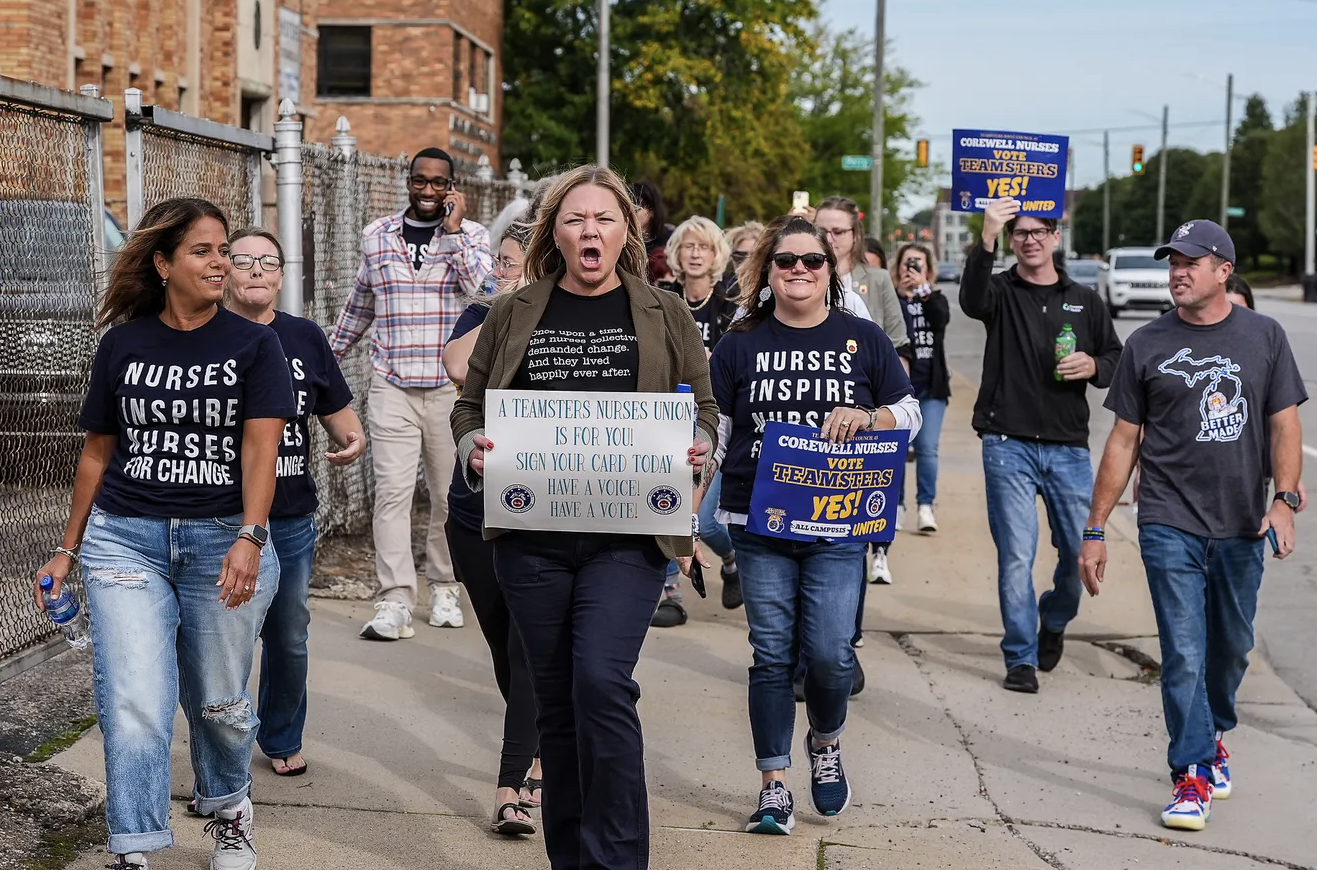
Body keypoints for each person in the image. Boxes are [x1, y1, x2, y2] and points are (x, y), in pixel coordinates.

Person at [451, 165, 718, 869]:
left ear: (627, 231)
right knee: (558, 707)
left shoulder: (666, 312)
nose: (590, 230)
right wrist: (470, 445)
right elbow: (470, 406)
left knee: (601, 681)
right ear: (554, 233)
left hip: (627, 542)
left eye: (604, 218)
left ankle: (619, 861)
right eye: (575, 219)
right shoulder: (514, 311)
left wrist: (703, 448)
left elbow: (707, 411)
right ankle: (571, 859)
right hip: (531, 542)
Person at [32, 198, 295, 870]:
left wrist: (251, 534)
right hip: (124, 540)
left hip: (222, 540)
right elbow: (97, 452)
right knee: (135, 699)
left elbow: (261, 450)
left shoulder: (254, 343)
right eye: (204, 251)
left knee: (217, 703)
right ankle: (134, 845)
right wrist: (68, 548)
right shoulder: (123, 344)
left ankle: (231, 809)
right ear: (163, 263)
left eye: (224, 249)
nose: (222, 262)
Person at [1079, 220, 1306, 831]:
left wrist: (1283, 499)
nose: (1177, 271)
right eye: (1172, 262)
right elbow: (1123, 443)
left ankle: (1215, 730)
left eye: (1190, 262)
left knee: (1231, 649)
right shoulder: (1148, 344)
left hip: (1240, 525)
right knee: (1182, 651)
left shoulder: (1265, 335)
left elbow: (1284, 423)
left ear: (1223, 270)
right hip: (1167, 520)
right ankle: (1192, 773)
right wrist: (1096, 530)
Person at [707, 214, 919, 835]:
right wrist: (687, 508)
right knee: (771, 654)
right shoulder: (740, 342)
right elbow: (715, 431)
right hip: (758, 519)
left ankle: (825, 744)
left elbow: (910, 412)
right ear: (767, 272)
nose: (799, 269)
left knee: (829, 656)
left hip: (839, 524)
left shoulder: (863, 338)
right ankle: (773, 786)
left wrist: (869, 417)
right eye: (785, 260)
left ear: (831, 271)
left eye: (812, 261)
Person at [959, 196, 1122, 694]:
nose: (1029, 240)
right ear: (1012, 241)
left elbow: (1116, 359)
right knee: (1016, 554)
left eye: (1038, 232)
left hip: (1068, 447)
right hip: (1006, 442)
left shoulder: (1085, 299)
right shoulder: (1000, 291)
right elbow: (971, 300)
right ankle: (1020, 659)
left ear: (1055, 237)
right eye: (1020, 233)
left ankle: (1053, 617)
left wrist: (1094, 365)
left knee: (1078, 553)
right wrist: (986, 235)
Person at [330, 146, 492, 639]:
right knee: (392, 495)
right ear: (408, 181)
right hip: (392, 386)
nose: (427, 190)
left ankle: (445, 585)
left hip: (452, 391)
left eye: (437, 182)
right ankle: (394, 598)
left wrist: (453, 233)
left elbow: (485, 290)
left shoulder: (472, 236)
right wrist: (326, 359)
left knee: (449, 496)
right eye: (419, 180)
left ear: (453, 185)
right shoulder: (377, 236)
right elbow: (361, 301)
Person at [223, 227, 366, 778]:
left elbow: (337, 413)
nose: (256, 270)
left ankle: (281, 734)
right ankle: (223, 751)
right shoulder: (206, 333)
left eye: (268, 261)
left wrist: (352, 440)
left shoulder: (304, 337)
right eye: (244, 260)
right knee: (223, 640)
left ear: (283, 275)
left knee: (287, 633)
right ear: (225, 272)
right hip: (219, 514)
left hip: (289, 515)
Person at [440, 219, 544, 836]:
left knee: (529, 650)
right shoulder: (486, 313)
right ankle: (548, 741)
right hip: (474, 510)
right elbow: (455, 364)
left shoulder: (570, 326)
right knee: (507, 652)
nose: (504, 270)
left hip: (541, 511)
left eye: (517, 263)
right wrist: (509, 302)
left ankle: (514, 783)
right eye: (502, 261)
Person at [812, 196, 911, 585]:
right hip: (816, 416)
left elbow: (899, 346)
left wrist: (888, 409)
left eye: (839, 231)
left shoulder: (877, 281)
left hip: (866, 413)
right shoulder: (795, 275)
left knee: (856, 525)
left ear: (855, 236)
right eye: (823, 230)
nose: (830, 238)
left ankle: (849, 627)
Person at [651, 215, 743, 626]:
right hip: (665, 419)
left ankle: (729, 555)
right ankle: (670, 592)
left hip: (714, 419)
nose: (694, 253)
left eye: (703, 247)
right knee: (663, 502)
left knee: (704, 519)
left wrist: (709, 365)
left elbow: (737, 368)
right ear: (676, 253)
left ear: (715, 255)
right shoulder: (661, 299)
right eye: (688, 246)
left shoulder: (730, 307)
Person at [890, 242, 951, 533]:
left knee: (927, 449)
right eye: (907, 264)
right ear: (897, 267)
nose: (912, 270)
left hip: (931, 387)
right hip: (899, 389)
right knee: (898, 449)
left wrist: (923, 290)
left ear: (928, 270)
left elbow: (941, 319)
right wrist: (901, 295)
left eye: (918, 264)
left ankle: (925, 506)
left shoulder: (935, 298)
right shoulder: (891, 299)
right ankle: (897, 505)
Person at [630, 179, 675, 288]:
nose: (631, 214)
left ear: (652, 211)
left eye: (636, 209)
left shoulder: (671, 239)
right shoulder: (623, 239)